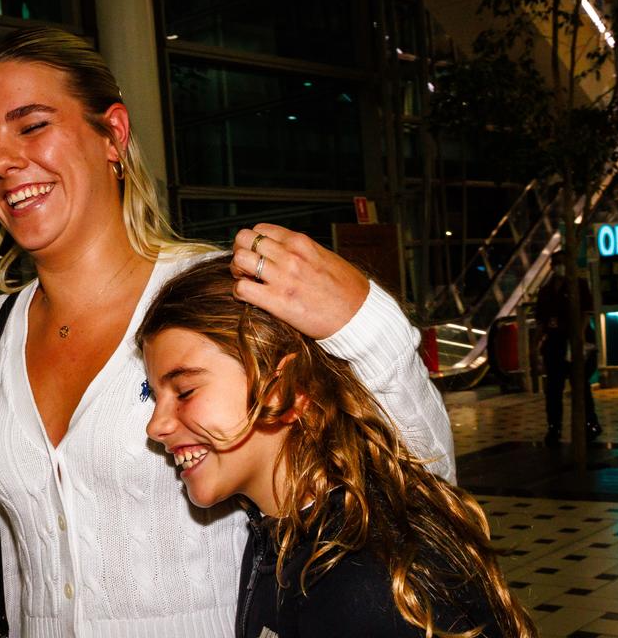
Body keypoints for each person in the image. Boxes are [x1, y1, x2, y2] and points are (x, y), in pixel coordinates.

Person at [0, 26, 454, 636]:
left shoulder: (215, 296)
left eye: (31, 126)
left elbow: (422, 481)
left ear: (113, 133)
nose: (3, 161)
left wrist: (368, 327)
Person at [140, 256, 536, 638]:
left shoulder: (364, 586)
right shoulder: (279, 538)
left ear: (286, 388)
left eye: (185, 390)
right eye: (152, 395)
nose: (156, 425)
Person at [533, 251, 601, 445]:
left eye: (563, 263)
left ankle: (589, 424)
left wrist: (578, 336)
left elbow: (586, 314)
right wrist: (535, 345)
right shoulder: (546, 291)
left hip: (574, 344)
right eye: (556, 263)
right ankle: (554, 427)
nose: (559, 267)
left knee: (581, 387)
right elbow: (541, 321)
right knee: (554, 389)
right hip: (554, 344)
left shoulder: (578, 286)